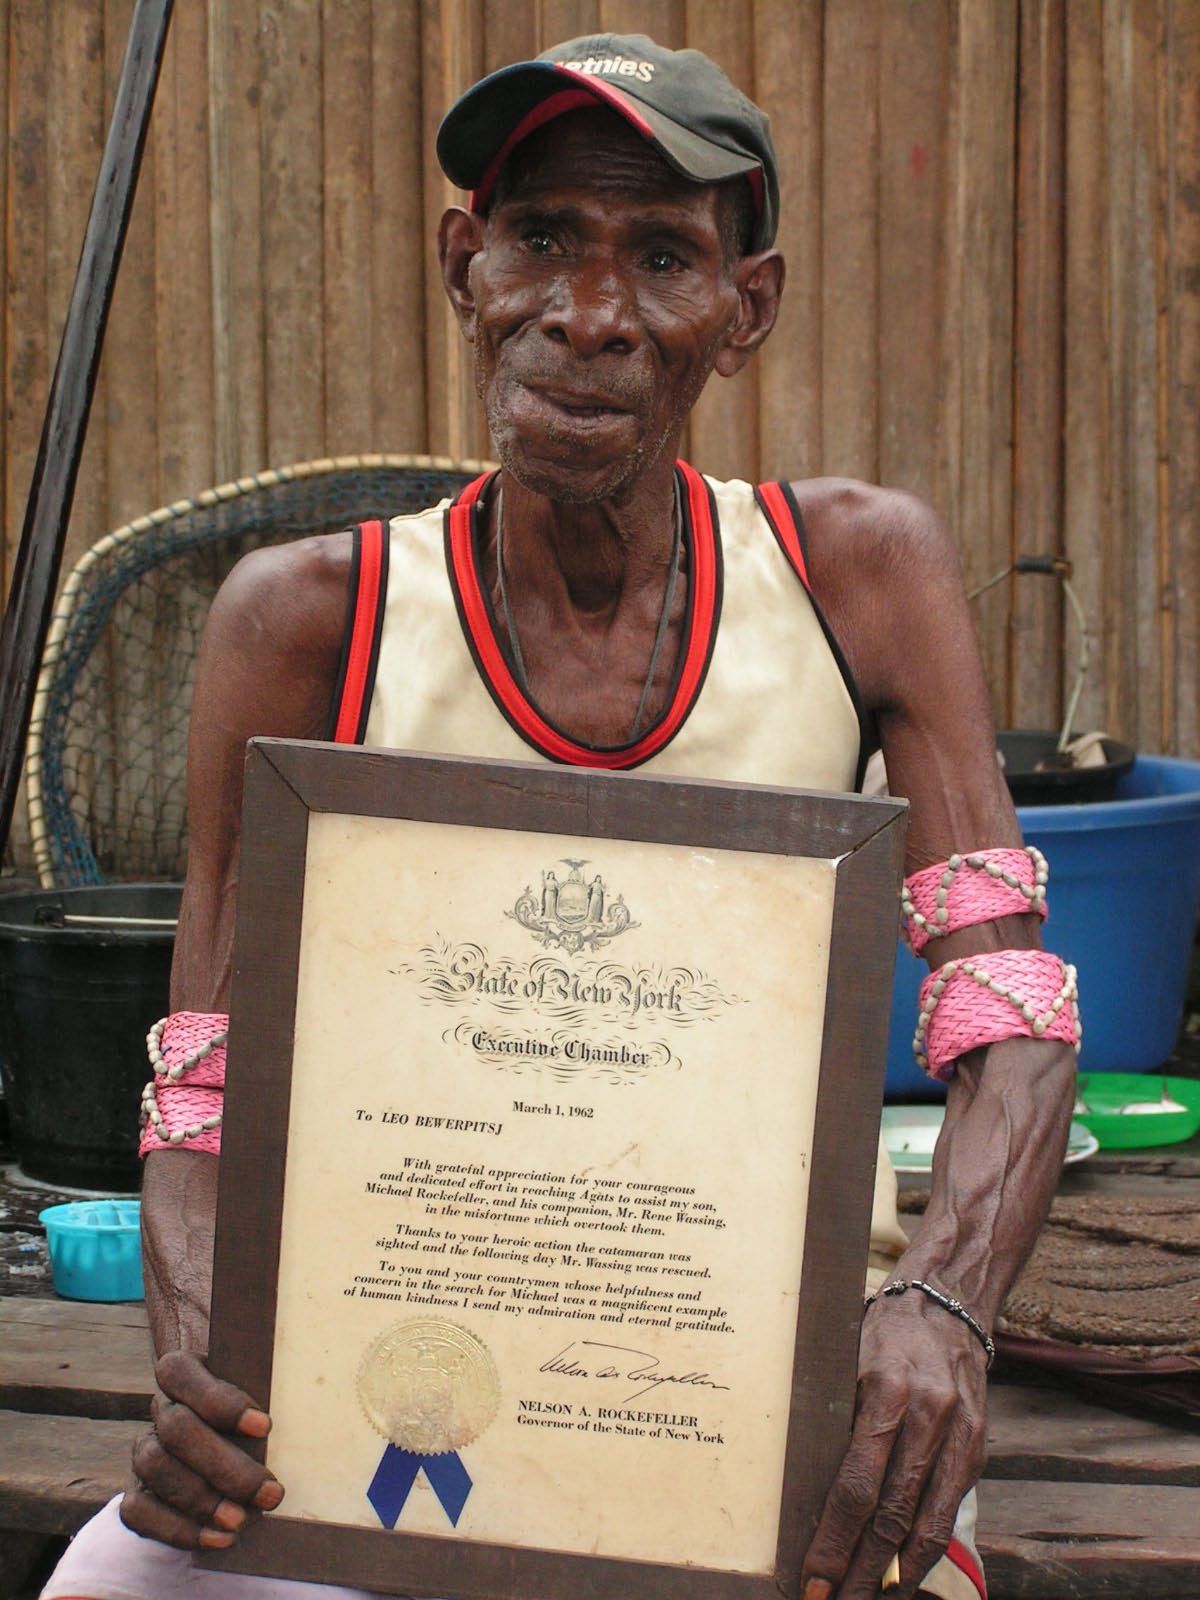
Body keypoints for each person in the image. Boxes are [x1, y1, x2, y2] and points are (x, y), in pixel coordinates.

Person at [41, 33, 1077, 1600]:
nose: (587, 314)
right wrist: (201, 1364)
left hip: (775, 1370)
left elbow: (1013, 1014)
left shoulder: (856, 574)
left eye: (660, 256)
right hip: (405, 1355)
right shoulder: (312, 617)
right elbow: (207, 1082)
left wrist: (940, 1310)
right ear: (465, 265)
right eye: (541, 240)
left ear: (746, 309)